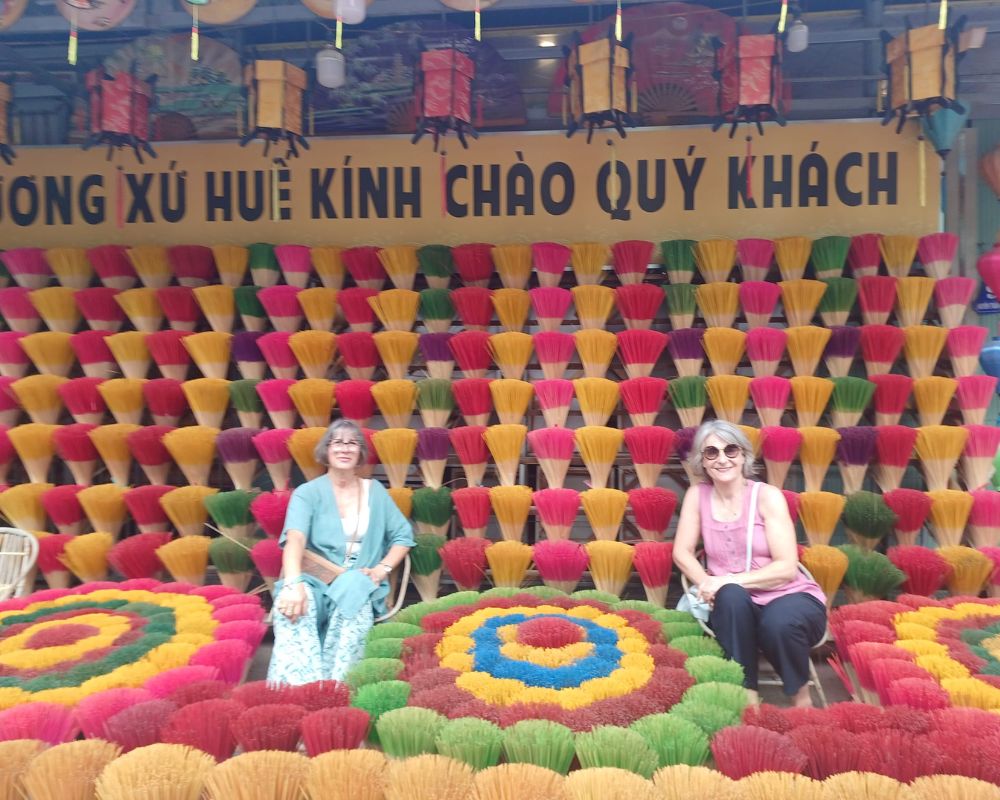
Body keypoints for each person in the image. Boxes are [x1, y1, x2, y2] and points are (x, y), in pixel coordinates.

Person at [673, 420, 827, 707]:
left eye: (731, 450)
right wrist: (708, 582)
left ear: (743, 455)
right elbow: (682, 552)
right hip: (735, 604)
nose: (722, 459)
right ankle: (748, 697)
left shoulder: (767, 496)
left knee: (778, 621)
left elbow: (785, 568)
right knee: (730, 598)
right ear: (702, 462)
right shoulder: (698, 496)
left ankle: (801, 698)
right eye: (711, 453)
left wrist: (725, 580)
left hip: (789, 595)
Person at [268, 419, 414, 684]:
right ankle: (296, 690)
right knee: (294, 607)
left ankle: (340, 687)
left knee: (354, 594)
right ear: (326, 450)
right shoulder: (307, 493)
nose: (345, 448)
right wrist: (293, 585)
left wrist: (382, 569)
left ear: (360, 453)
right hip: (316, 580)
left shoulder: (375, 492)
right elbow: (295, 540)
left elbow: (403, 537)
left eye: (352, 443)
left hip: (360, 580)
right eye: (338, 442)